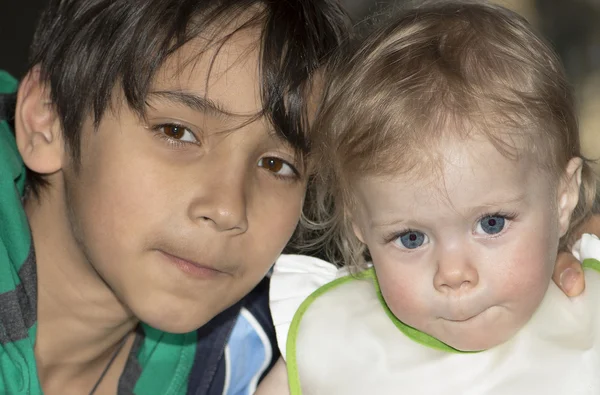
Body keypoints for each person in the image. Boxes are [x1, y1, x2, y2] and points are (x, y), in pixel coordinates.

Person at [0, 0, 351, 394]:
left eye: (275, 165)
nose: (227, 209)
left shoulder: (269, 362)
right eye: (177, 132)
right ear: (48, 121)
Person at [265, 2, 600, 394]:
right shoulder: (337, 339)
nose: (453, 274)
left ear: (563, 197)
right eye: (412, 238)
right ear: (360, 223)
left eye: (491, 224)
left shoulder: (588, 315)